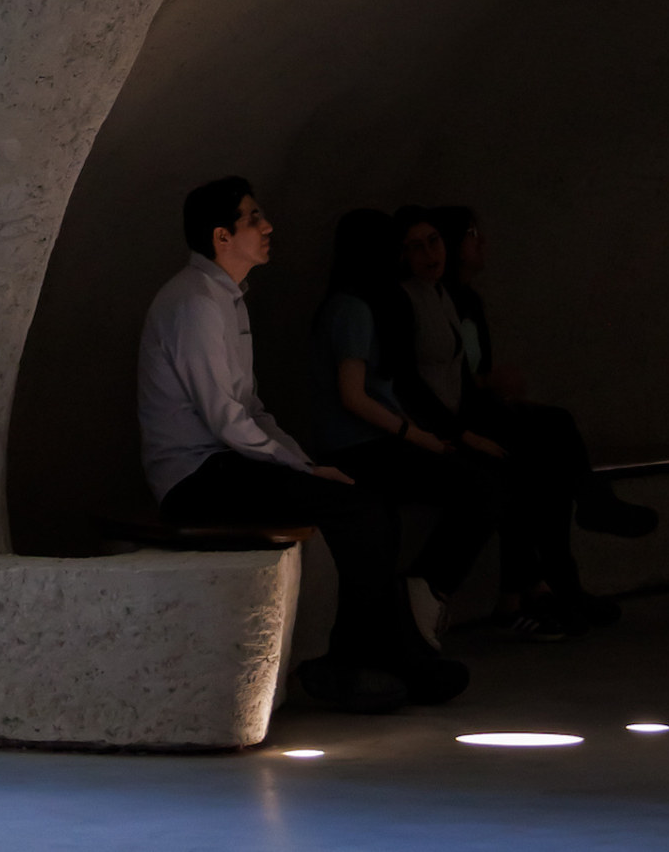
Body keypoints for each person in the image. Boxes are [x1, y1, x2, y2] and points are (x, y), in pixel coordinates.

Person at [134, 174, 463, 713]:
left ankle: (380, 657)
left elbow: (253, 410)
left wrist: (304, 463)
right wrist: (303, 470)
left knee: (366, 503)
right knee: (358, 509)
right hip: (195, 478)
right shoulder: (195, 303)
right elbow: (226, 419)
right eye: (253, 218)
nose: (268, 226)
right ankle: (359, 664)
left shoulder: (225, 299)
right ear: (221, 237)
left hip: (223, 464)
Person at [431, 199, 657, 627]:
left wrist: (499, 393)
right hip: (459, 422)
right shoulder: (439, 303)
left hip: (482, 413)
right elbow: (447, 378)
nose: (483, 244)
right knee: (539, 455)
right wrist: (487, 387)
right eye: (473, 236)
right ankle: (548, 579)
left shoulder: (470, 303)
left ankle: (539, 587)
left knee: (547, 446)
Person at [307, 208, 506, 642]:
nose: (403, 258)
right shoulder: (353, 310)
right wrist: (418, 437)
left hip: (372, 441)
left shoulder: (359, 306)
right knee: (481, 487)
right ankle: (425, 590)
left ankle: (424, 592)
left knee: (482, 482)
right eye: (399, 249)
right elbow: (354, 395)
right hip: (359, 447)